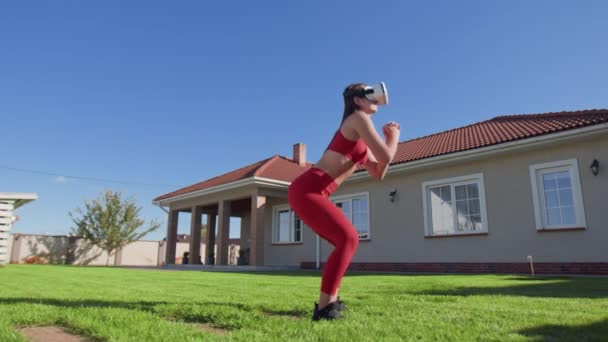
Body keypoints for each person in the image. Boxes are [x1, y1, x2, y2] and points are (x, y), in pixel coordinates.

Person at [288, 82, 400, 321]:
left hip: (314, 192)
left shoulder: (360, 135)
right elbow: (386, 155)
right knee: (348, 238)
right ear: (358, 100)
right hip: (308, 189)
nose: (375, 100)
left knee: (346, 241)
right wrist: (394, 137)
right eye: (369, 95)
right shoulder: (358, 118)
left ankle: (329, 304)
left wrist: (388, 141)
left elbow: (378, 172)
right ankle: (325, 308)